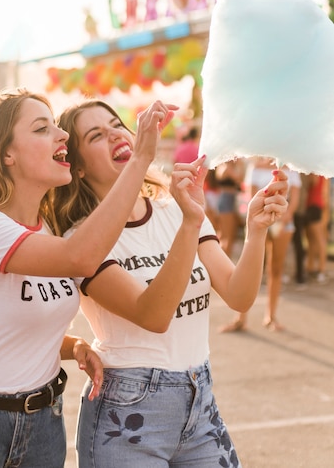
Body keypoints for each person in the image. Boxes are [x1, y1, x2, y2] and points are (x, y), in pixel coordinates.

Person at [0, 87, 177, 468]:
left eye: (57, 125)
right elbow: (82, 257)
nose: (63, 136)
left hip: (41, 425)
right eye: (42, 128)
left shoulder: (45, 233)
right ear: (6, 155)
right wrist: (140, 158)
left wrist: (72, 347)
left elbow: (8, 322)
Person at [54, 99, 288, 468]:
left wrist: (255, 230)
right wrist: (189, 223)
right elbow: (154, 314)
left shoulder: (172, 206)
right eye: (96, 135)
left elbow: (239, 296)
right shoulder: (81, 239)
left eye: (117, 124)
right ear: (78, 168)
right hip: (126, 412)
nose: (115, 133)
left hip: (200, 400)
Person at [220, 157, 300, 333]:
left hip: (284, 222)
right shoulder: (255, 168)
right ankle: (241, 317)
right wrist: (263, 221)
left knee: (276, 268)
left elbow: (295, 198)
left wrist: (285, 216)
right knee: (251, 267)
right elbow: (251, 197)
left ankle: (270, 316)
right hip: (260, 221)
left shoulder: (292, 168)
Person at [215, 158, 246, 257]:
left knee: (231, 236)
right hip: (226, 200)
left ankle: (226, 258)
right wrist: (238, 165)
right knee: (226, 236)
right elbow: (238, 178)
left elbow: (242, 181)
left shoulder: (235, 166)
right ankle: (222, 260)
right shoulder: (223, 166)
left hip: (235, 200)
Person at [304, 174, 329, 283]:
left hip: (315, 206)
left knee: (319, 240)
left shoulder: (318, 172)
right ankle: (310, 268)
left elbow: (314, 183)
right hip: (310, 205)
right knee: (311, 240)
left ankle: (322, 270)